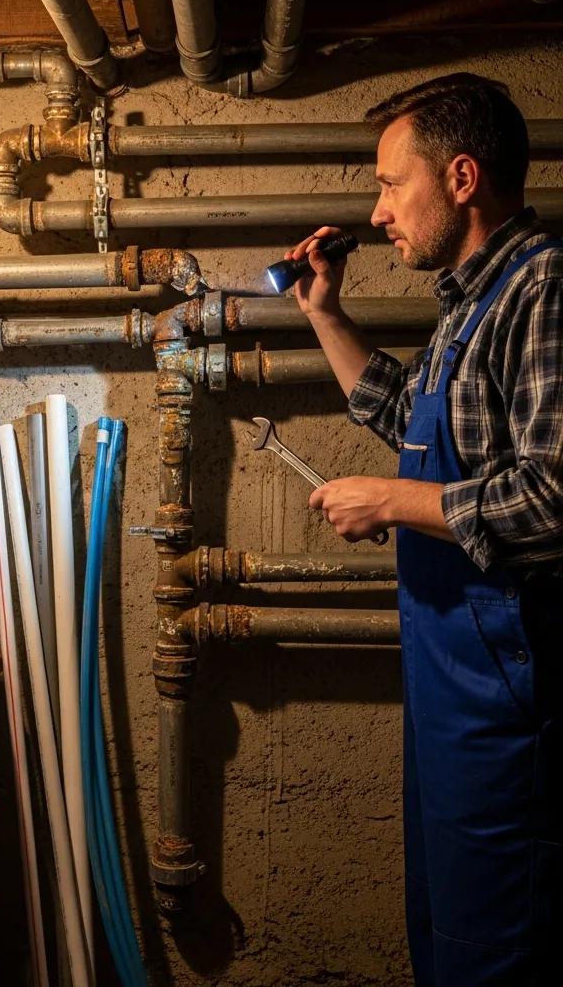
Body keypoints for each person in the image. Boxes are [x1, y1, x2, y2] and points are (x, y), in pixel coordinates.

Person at [287, 73, 563, 986]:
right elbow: (409, 410)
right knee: (450, 932)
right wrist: (325, 313)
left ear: (460, 177)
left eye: (390, 184)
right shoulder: (467, 303)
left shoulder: (544, 288)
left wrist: (395, 502)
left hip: (513, 697)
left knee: (504, 945)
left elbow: (554, 496)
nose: (378, 211)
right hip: (454, 689)